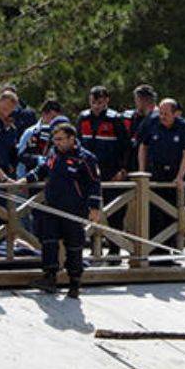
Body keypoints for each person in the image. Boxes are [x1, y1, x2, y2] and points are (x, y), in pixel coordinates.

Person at [19, 123, 103, 298]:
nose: (56, 143)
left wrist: (95, 208)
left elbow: (95, 183)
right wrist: (26, 180)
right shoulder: (54, 153)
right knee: (48, 240)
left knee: (74, 244)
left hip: (73, 209)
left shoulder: (85, 158)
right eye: (54, 139)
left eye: (60, 139)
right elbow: (42, 169)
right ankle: (49, 277)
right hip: (51, 206)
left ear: (71, 138)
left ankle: (75, 282)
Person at [77, 86, 130, 258]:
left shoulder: (115, 119)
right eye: (93, 102)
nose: (96, 106)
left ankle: (114, 250)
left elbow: (126, 147)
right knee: (88, 211)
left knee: (114, 212)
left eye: (100, 102)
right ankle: (93, 248)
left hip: (111, 172)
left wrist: (123, 169)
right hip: (88, 173)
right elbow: (76, 145)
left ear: (107, 101)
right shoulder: (83, 118)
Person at [138, 98, 185, 246]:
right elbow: (143, 147)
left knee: (173, 215)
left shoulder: (183, 127)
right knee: (154, 214)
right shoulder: (152, 123)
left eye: (166, 114)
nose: (162, 117)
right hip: (155, 174)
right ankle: (153, 250)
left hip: (174, 176)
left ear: (175, 114)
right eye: (161, 113)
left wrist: (180, 177)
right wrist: (142, 171)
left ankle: (171, 252)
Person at [17, 100, 68, 178]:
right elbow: (21, 156)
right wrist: (38, 159)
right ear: (44, 114)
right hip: (30, 180)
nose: (55, 121)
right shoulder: (31, 132)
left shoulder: (63, 134)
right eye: (53, 117)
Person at [122, 84, 157, 173]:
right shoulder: (127, 117)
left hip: (151, 165)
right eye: (139, 98)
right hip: (130, 164)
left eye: (146, 99)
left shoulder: (157, 119)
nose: (143, 102)